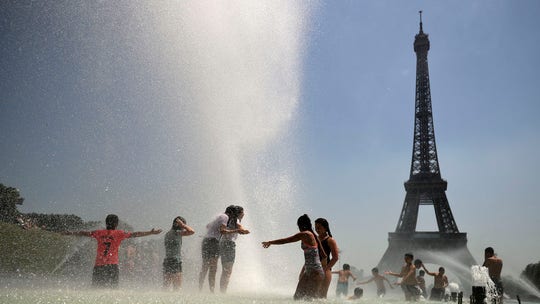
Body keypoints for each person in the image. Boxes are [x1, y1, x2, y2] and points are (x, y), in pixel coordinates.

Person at [62, 214, 162, 288]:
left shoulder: (99, 233)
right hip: (112, 266)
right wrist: (150, 232)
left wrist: (69, 233)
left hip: (99, 266)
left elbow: (83, 233)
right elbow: (136, 234)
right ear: (116, 224)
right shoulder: (119, 233)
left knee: (96, 291)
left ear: (106, 223)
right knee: (113, 291)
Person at [262, 214, 326, 301]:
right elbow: (324, 255)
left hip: (315, 272)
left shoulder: (305, 234)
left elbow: (287, 240)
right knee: (297, 297)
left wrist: (270, 242)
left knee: (310, 300)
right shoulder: (313, 235)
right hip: (309, 271)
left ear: (301, 225)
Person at [198, 205, 249, 292]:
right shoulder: (225, 217)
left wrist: (211, 232)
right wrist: (236, 231)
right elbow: (223, 231)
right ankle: (211, 291)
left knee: (208, 267)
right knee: (212, 268)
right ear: (232, 213)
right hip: (212, 242)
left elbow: (208, 226)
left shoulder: (220, 216)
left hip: (210, 241)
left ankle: (201, 289)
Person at [219, 205, 250, 293]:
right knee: (227, 271)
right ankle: (223, 292)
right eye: (243, 212)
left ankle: (222, 291)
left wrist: (242, 231)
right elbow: (239, 227)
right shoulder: (235, 220)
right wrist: (242, 230)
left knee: (225, 270)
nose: (244, 214)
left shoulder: (230, 219)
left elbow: (239, 229)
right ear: (239, 213)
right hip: (228, 245)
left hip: (222, 244)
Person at [163, 216, 195, 291]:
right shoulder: (177, 233)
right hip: (175, 260)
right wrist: (183, 224)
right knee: (177, 287)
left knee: (166, 286)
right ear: (179, 225)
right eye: (183, 226)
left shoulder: (167, 234)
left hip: (167, 260)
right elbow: (192, 231)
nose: (184, 228)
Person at [314, 218, 339, 298]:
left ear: (325, 228)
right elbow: (312, 256)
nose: (317, 230)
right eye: (316, 227)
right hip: (314, 269)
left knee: (322, 297)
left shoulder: (330, 240)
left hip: (325, 270)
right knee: (312, 296)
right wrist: (303, 270)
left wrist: (325, 269)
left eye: (319, 227)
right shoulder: (315, 239)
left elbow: (335, 258)